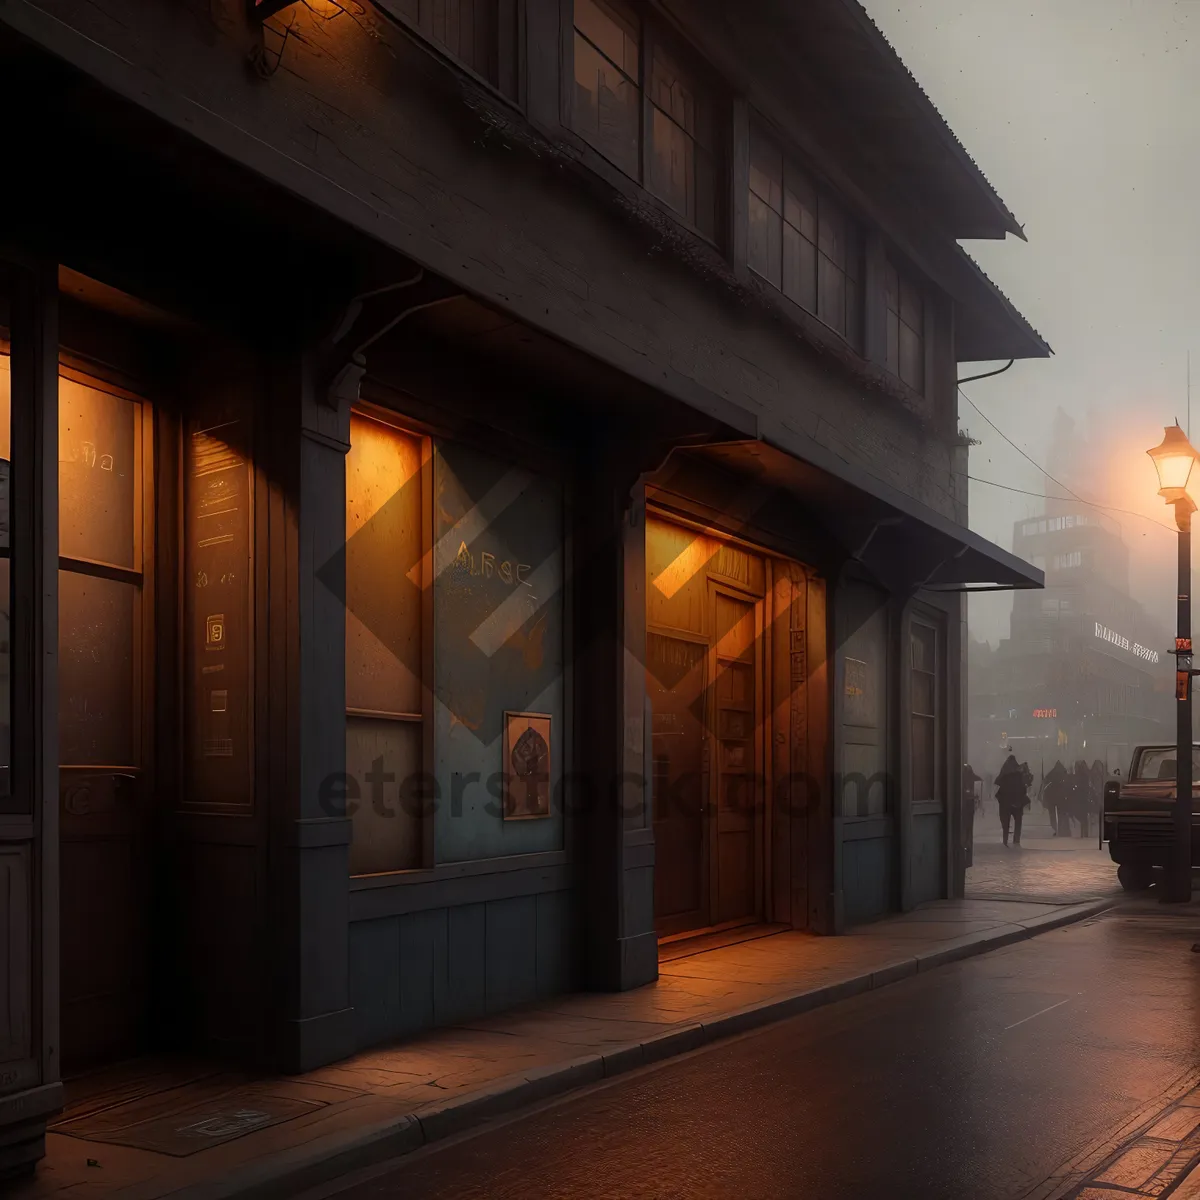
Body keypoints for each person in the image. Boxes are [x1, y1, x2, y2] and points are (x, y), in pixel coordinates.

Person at [995, 751, 1030, 847]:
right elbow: (1025, 785)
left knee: (1005, 822)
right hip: (1017, 802)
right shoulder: (1019, 774)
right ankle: (1016, 840)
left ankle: (1005, 839)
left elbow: (998, 784)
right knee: (1018, 822)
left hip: (1005, 802)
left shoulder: (1004, 773)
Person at [1042, 759, 1069, 837]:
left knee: (1052, 814)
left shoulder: (1052, 772)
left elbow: (1046, 779)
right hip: (1061, 796)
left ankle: (1055, 829)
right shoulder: (1063, 772)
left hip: (1052, 796)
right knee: (1061, 814)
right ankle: (1060, 829)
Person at [962, 763, 981, 867]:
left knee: (966, 832)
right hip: (969, 810)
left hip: (964, 810)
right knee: (968, 832)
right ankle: (967, 859)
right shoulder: (974, 779)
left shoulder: (962, 780)